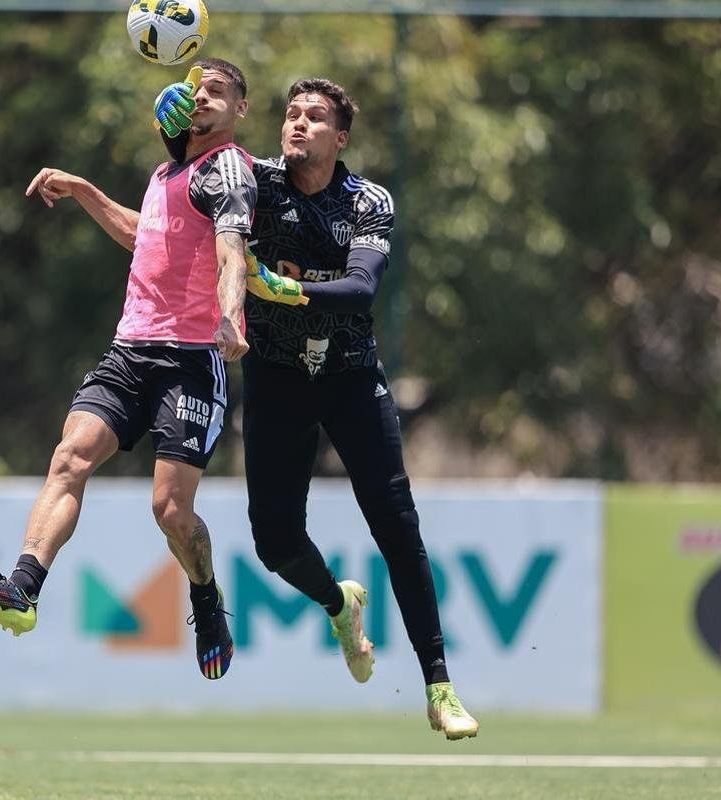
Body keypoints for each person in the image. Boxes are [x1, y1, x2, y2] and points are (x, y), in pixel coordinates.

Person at [155, 74, 479, 738]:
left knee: (397, 526)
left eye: (315, 117)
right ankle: (340, 606)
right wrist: (173, 126)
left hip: (352, 379)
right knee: (274, 545)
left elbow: (361, 288)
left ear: (342, 137)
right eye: (291, 114)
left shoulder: (366, 200)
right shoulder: (257, 184)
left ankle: (439, 685)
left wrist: (281, 290)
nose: (298, 124)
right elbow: (193, 174)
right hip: (276, 381)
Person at [0, 59, 257, 682]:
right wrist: (86, 190)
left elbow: (232, 253)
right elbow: (148, 236)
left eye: (218, 93)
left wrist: (231, 317)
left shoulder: (228, 168)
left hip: (191, 360)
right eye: (197, 90)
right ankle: (23, 592)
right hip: (130, 350)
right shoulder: (168, 171)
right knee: (70, 457)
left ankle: (206, 598)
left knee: (170, 510)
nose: (204, 99)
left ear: (240, 111)